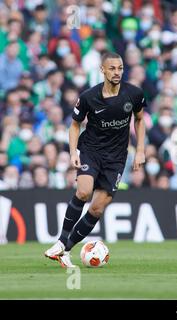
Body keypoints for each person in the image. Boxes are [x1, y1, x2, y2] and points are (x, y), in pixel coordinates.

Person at [44, 52, 146, 267]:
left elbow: (139, 119)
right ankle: (61, 242)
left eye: (120, 68)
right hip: (91, 150)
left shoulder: (134, 94)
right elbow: (74, 124)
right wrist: (73, 152)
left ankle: (65, 250)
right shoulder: (89, 97)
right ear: (102, 70)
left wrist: (140, 150)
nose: (117, 72)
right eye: (112, 68)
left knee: (97, 208)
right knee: (83, 191)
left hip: (117, 158)